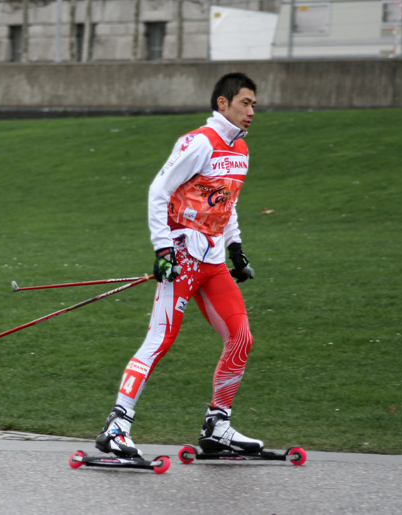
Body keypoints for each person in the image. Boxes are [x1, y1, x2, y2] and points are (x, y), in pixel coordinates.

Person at [96, 73, 264, 458]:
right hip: (183, 256)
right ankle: (116, 426)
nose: (252, 111)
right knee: (160, 339)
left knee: (241, 338)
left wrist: (235, 247)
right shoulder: (199, 143)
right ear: (223, 103)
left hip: (213, 260)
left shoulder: (240, 150)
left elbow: (227, 201)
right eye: (245, 102)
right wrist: (162, 250)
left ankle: (217, 426)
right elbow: (159, 189)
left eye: (254, 104)